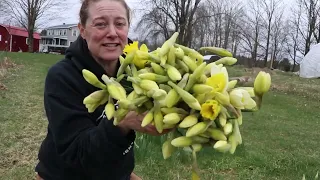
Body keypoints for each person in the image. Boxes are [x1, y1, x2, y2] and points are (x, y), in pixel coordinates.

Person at [35, 0, 168, 179]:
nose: (112, 33)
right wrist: (121, 122)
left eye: (120, 24)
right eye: (101, 24)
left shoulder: (137, 72)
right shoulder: (62, 77)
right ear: (82, 30)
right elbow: (77, 154)